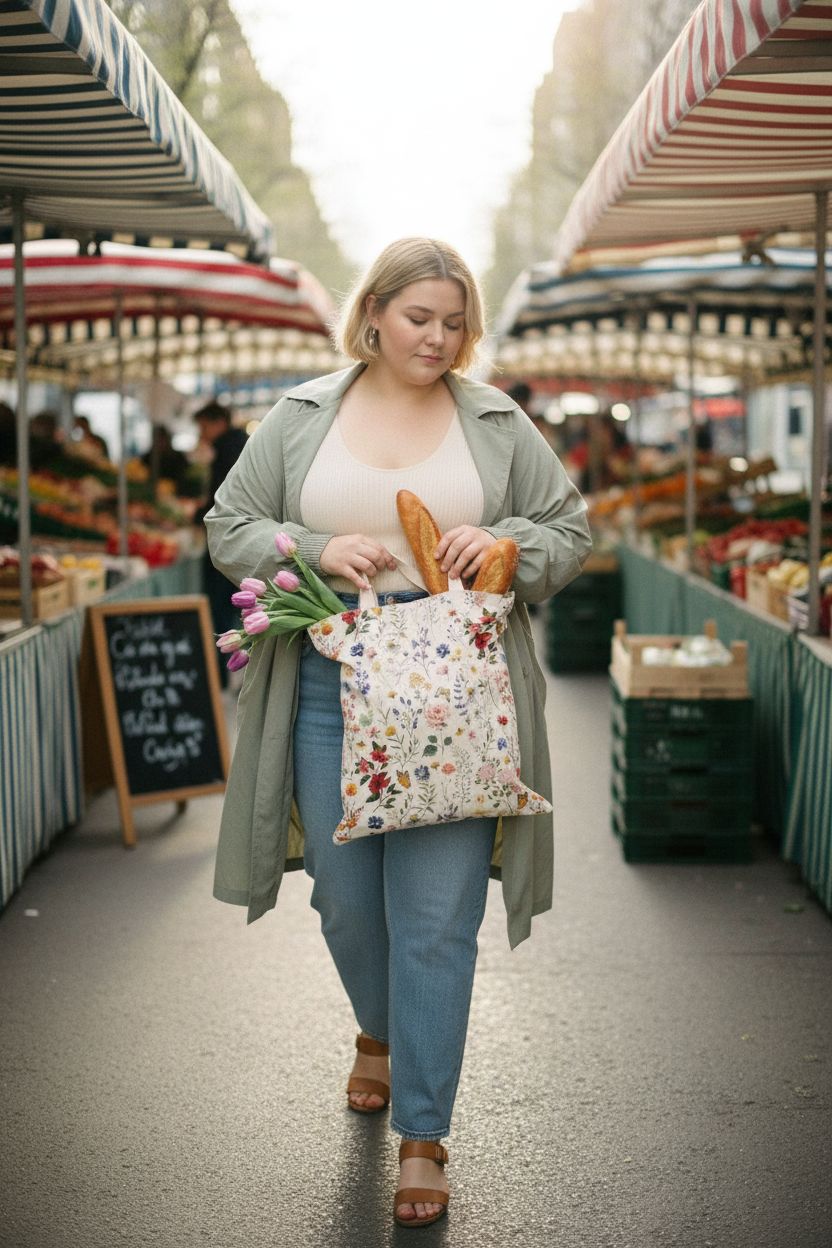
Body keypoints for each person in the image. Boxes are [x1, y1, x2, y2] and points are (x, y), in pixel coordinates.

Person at [204, 238, 591, 1228]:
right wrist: (313, 544)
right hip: (331, 691)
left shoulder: (496, 421)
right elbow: (230, 522)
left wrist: (507, 544)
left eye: (455, 320)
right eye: (420, 317)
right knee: (346, 906)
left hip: (458, 695)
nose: (439, 337)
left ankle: (424, 1134)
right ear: (372, 313)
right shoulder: (300, 417)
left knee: (435, 924)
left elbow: (567, 529)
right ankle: (376, 1033)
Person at [193, 401, 248, 658]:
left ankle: (221, 663)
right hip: (243, 536)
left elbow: (220, 499)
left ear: (219, 423)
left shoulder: (227, 450)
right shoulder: (240, 445)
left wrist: (196, 515)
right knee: (236, 605)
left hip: (228, 537)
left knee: (220, 606)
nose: (201, 434)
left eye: (204, 427)